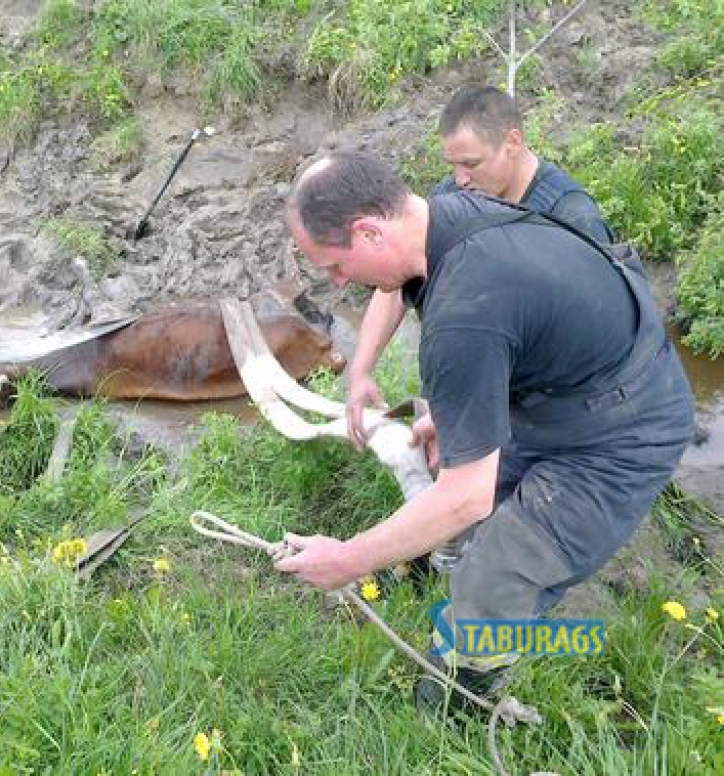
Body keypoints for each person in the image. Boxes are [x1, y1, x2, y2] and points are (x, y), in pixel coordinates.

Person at [277, 151, 693, 708]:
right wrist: (457, 415)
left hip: (623, 431)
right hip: (564, 389)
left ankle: (462, 703)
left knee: (494, 574)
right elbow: (506, 338)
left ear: (369, 230)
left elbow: (463, 498)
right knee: (463, 522)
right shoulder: (444, 216)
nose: (339, 282)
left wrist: (348, 559)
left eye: (333, 266)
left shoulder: (464, 312)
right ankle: (444, 607)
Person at [347, 85, 613, 450]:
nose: (459, 179)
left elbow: (598, 338)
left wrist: (458, 414)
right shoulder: (451, 197)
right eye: (452, 165)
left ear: (512, 142)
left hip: (551, 404)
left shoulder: (570, 218)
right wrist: (361, 370)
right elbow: (397, 279)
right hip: (472, 380)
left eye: (471, 164)